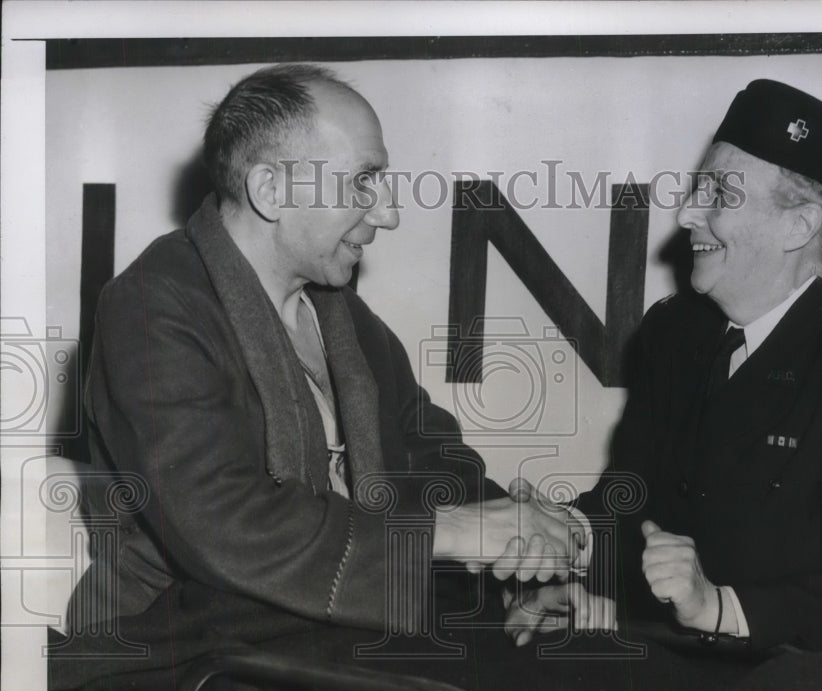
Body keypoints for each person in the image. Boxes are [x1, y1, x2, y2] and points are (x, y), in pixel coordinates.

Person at [63, 63, 579, 646]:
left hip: (319, 642)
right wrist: (451, 530)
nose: (388, 213)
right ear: (270, 190)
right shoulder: (149, 306)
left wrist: (524, 559)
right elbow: (222, 524)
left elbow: (436, 460)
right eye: (363, 180)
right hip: (176, 648)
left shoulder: (344, 319)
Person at [507, 78, 822, 652]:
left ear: (798, 226)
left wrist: (716, 606)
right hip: (683, 681)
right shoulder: (672, 335)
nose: (688, 214)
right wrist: (573, 543)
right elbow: (635, 499)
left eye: (718, 195)